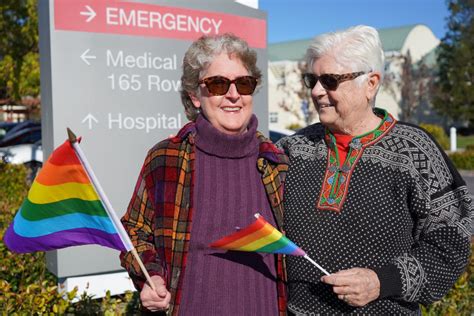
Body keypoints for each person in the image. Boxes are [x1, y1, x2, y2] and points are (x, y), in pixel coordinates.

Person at [277, 25, 473, 315]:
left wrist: (382, 282)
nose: (317, 91)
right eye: (312, 79)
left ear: (371, 83)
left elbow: (452, 239)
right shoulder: (293, 149)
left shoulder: (415, 150)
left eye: (330, 80)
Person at [120, 33, 288, 315]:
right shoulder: (166, 158)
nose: (233, 95)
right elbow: (134, 231)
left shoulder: (277, 162)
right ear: (195, 97)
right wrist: (150, 275)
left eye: (243, 84)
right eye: (218, 84)